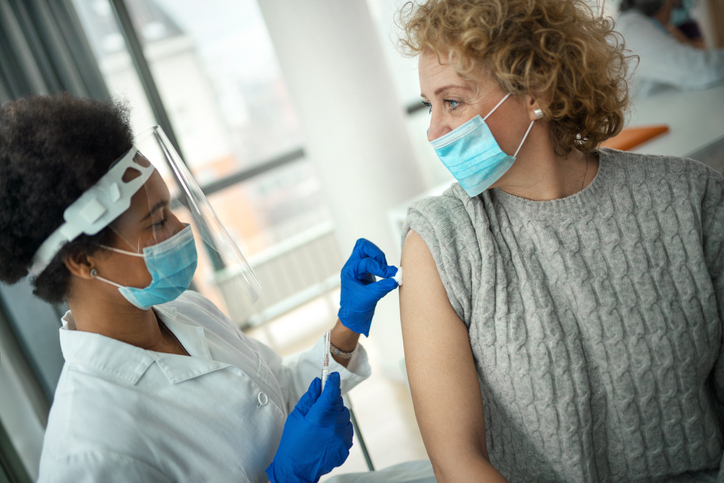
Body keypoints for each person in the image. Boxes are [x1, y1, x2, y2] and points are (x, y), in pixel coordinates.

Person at [396, 0, 724, 481]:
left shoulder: (691, 200)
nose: (434, 131)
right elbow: (457, 461)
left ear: (535, 91)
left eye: (453, 101)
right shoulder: (442, 244)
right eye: (429, 105)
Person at [0, 93, 402, 483]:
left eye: (170, 209)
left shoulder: (189, 311)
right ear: (84, 261)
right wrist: (286, 479)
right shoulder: (90, 451)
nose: (180, 229)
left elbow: (284, 397)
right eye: (157, 222)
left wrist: (346, 326)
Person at [615, 0, 724, 96]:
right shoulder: (633, 29)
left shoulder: (635, 25)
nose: (673, 11)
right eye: (673, 4)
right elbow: (699, 70)